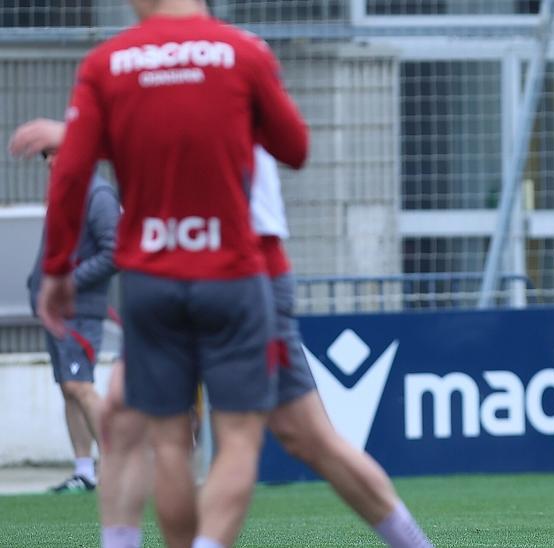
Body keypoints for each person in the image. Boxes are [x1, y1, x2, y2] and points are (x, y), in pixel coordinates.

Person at [19, 116, 433, 547]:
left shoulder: (183, 85)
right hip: (184, 273)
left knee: (265, 435)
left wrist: (79, 139)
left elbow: (288, 146)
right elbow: (288, 146)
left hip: (225, 269)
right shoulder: (151, 85)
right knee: (154, 426)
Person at [36, 0, 309, 546]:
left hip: (152, 278)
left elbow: (71, 175)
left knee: (166, 442)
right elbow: (295, 148)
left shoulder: (108, 62)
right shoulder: (241, 52)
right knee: (238, 438)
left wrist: (57, 269)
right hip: (232, 272)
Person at [10, 118, 118, 494]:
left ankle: (117, 464)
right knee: (68, 388)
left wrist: (68, 283)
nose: (50, 161)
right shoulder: (65, 194)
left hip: (80, 310)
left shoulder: (97, 194)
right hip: (57, 313)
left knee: (79, 385)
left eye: (55, 152)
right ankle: (84, 471)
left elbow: (114, 253)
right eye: (46, 155)